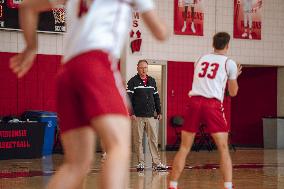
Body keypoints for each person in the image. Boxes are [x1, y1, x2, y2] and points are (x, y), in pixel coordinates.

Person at [9, 0, 168, 189]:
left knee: (76, 164)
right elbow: (160, 32)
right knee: (118, 147)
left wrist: (31, 46)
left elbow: (27, 6)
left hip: (67, 72)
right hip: (97, 64)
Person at [168, 32, 242, 189]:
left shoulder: (200, 59)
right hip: (212, 104)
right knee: (223, 148)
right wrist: (234, 77)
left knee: (184, 147)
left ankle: (172, 185)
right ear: (228, 46)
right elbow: (233, 92)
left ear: (213, 44)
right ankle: (228, 186)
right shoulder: (229, 63)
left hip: (194, 102)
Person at [127, 59, 168, 172]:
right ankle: (141, 163)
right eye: (141, 67)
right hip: (137, 116)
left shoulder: (152, 81)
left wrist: (159, 112)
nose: (143, 70)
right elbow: (128, 99)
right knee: (138, 140)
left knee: (153, 140)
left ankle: (157, 163)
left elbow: (156, 98)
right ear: (137, 68)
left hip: (150, 116)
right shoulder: (132, 82)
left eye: (145, 67)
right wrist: (131, 113)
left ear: (147, 68)